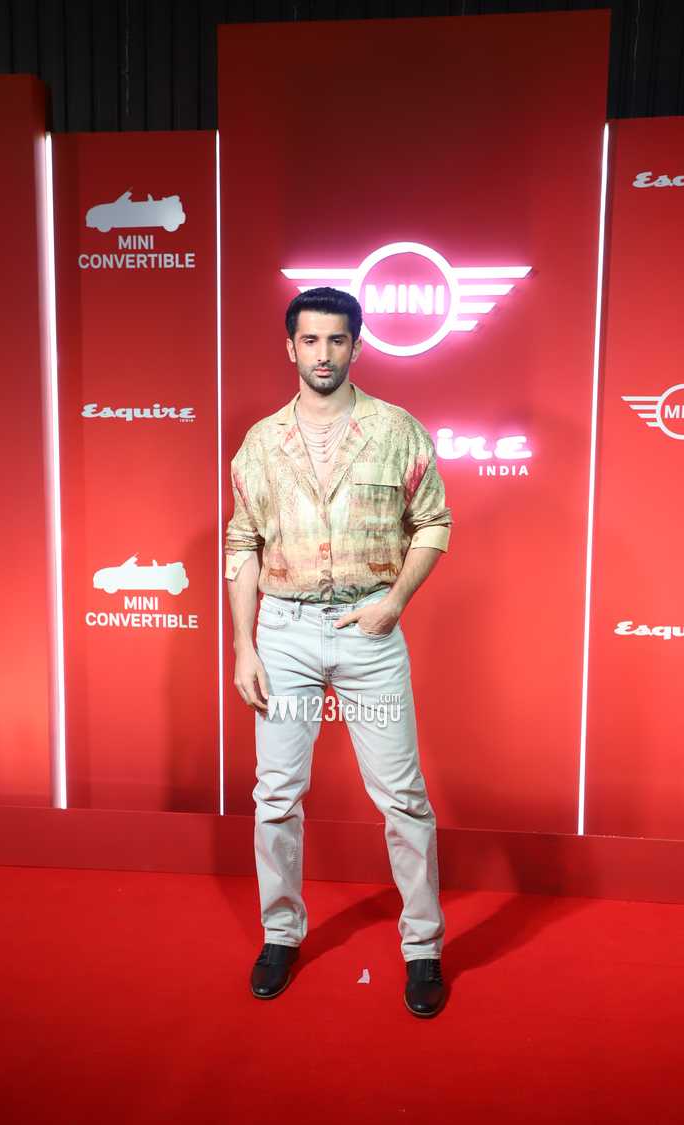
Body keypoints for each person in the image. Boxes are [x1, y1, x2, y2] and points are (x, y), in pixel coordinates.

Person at [224, 286, 453, 1018]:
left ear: (357, 344)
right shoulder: (261, 443)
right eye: (310, 340)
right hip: (284, 634)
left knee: (403, 796)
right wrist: (244, 646)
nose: (322, 354)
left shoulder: (397, 430)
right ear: (290, 347)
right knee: (276, 794)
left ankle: (423, 946)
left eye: (336, 340)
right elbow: (242, 542)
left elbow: (434, 522)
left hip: (369, 633)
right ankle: (280, 933)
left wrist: (393, 603)